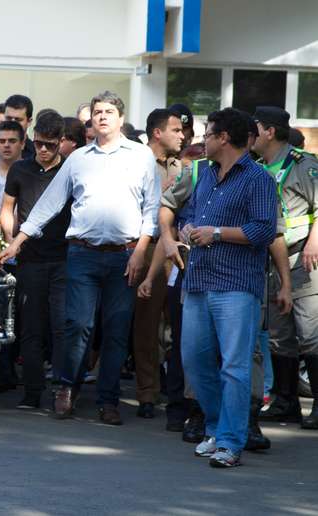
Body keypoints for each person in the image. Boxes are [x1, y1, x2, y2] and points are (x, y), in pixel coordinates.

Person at [0, 91, 160, 426]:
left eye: (109, 111)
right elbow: (49, 204)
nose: (102, 117)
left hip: (125, 255)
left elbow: (152, 209)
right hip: (83, 254)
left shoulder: (142, 156)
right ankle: (66, 388)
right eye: (97, 112)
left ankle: (108, 400)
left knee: (116, 330)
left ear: (120, 117)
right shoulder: (79, 158)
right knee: (77, 326)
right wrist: (18, 241)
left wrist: (141, 252)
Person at [178, 107, 278, 468]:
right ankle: (218, 428)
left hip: (236, 285)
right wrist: (186, 229)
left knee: (234, 366)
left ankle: (231, 442)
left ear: (224, 138)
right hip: (199, 281)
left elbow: (264, 230)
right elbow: (188, 215)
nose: (202, 139)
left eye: (208, 133)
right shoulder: (204, 175)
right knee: (194, 360)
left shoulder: (258, 179)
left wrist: (217, 233)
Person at [252, 106, 318, 429]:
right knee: (280, 335)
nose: (252, 133)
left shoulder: (303, 165)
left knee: (311, 333)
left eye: (257, 127)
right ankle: (285, 401)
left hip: (304, 259)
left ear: (270, 132)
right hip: (272, 262)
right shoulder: (259, 167)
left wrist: (314, 242)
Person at [0, 112, 70, 409]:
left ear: (61, 143)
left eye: (50, 145)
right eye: (39, 144)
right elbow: (7, 208)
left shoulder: (70, 170)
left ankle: (62, 390)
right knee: (30, 327)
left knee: (61, 327)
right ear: (32, 140)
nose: (43, 150)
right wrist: (9, 239)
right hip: (29, 258)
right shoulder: (20, 169)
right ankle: (32, 391)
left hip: (65, 258)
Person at [131, 108, 185, 419]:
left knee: (177, 328)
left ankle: (176, 393)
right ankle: (147, 393)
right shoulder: (136, 163)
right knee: (146, 328)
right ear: (157, 133)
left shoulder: (184, 168)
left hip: (178, 251)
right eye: (176, 130)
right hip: (147, 248)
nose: (182, 136)